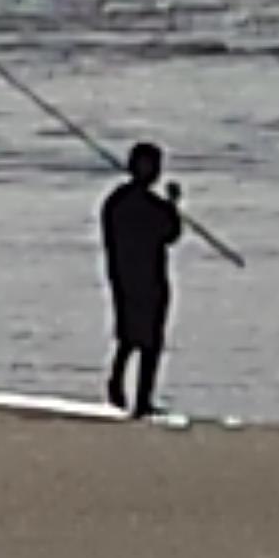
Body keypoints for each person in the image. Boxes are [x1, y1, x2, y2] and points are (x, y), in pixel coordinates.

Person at [100, 142, 187, 418]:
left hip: (130, 276)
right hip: (142, 277)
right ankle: (135, 396)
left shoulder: (118, 201)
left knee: (134, 336)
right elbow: (170, 233)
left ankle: (130, 392)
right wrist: (172, 205)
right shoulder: (138, 204)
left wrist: (168, 206)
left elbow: (168, 234)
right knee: (144, 340)